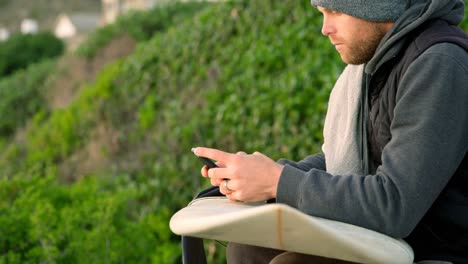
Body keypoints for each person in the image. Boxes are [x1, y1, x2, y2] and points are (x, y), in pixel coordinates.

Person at [192, 0, 468, 263]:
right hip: (378, 242)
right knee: (249, 248)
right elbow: (344, 163)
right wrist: (259, 178)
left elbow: (394, 205)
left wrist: (278, 181)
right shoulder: (377, 65)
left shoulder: (438, 63)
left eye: (335, 11)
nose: (325, 28)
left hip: (435, 252)